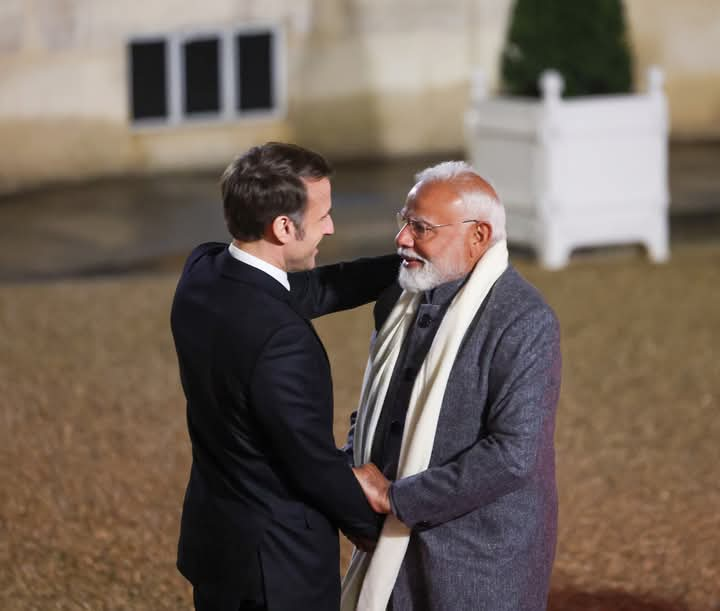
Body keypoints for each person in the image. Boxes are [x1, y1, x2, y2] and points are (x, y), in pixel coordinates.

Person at [170, 142, 399, 611]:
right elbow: (311, 463)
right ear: (283, 227)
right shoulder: (282, 341)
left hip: (217, 543)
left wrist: (406, 265)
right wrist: (379, 530)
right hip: (276, 568)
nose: (332, 227)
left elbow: (306, 290)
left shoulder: (203, 271)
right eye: (323, 218)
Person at [342, 161, 562, 611]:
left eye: (421, 228)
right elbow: (373, 407)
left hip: (476, 561)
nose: (402, 239)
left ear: (478, 236)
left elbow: (512, 455)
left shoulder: (524, 321)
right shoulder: (400, 297)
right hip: (391, 547)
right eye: (404, 221)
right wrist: (351, 470)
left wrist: (393, 497)